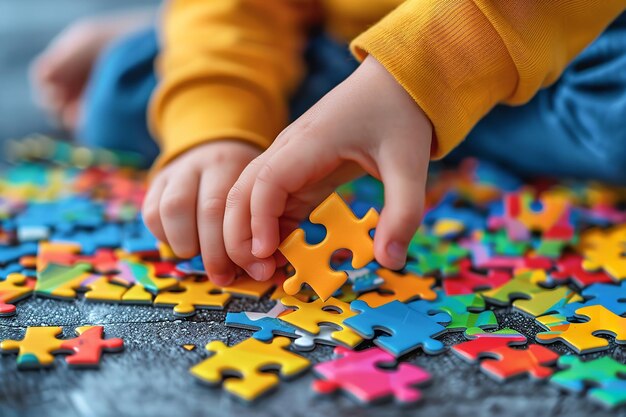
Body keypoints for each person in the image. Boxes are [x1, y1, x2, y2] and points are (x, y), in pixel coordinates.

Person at [32, 1, 626, 287]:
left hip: (574, 44)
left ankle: (422, 121)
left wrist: (416, 79)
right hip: (346, 47)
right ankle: (167, 26)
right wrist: (216, 131)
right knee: (123, 94)